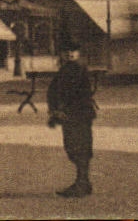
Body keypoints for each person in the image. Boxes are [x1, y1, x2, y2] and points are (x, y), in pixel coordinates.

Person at [46, 44, 97, 197]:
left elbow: (75, 93)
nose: (70, 53)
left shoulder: (77, 69)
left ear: (79, 53)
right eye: (66, 50)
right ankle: (83, 182)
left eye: (73, 51)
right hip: (72, 114)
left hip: (77, 114)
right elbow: (55, 90)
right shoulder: (66, 69)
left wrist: (60, 110)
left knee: (78, 147)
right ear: (61, 53)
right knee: (75, 147)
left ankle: (82, 184)